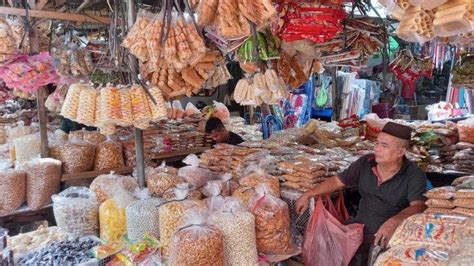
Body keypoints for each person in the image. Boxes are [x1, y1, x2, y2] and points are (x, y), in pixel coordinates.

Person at [295, 122, 427, 266]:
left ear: (400, 152)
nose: (377, 149)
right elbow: (337, 181)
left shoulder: (414, 174)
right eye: (377, 143)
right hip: (359, 232)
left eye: (384, 146)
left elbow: (418, 206)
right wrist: (309, 194)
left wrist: (394, 222)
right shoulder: (366, 162)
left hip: (389, 238)